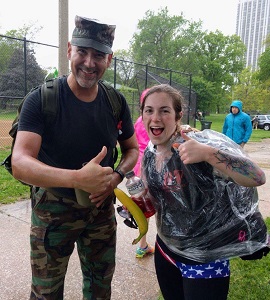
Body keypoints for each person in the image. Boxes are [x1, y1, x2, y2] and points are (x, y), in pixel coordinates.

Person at [11, 16, 139, 300]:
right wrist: (76, 178)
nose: (89, 63)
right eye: (82, 52)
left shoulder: (115, 102)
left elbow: (132, 149)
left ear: (110, 59)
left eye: (99, 55)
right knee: (46, 292)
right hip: (52, 213)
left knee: (99, 288)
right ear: (69, 50)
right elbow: (20, 163)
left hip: (101, 211)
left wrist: (116, 176)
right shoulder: (42, 99)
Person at [139, 84, 268, 300]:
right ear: (142, 114)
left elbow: (257, 177)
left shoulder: (199, 144)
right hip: (166, 250)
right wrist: (140, 205)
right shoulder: (151, 155)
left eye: (164, 110)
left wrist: (209, 154)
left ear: (178, 115)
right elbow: (160, 200)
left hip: (206, 257)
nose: (156, 118)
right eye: (149, 110)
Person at [133, 89, 155, 258]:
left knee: (143, 207)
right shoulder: (155, 121)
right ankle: (146, 245)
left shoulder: (139, 121)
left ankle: (142, 244)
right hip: (152, 166)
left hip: (138, 167)